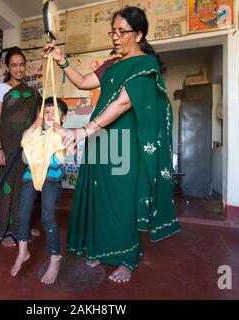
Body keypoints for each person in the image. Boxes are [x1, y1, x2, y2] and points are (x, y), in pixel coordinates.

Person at [44, 7, 180, 283]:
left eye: (122, 32)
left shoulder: (145, 65)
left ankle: (127, 260)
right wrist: (61, 59)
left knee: (122, 202)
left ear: (139, 34)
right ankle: (101, 250)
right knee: (100, 198)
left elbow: (124, 102)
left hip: (124, 144)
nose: (115, 37)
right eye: (113, 31)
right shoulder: (113, 64)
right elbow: (83, 82)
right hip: (101, 140)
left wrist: (83, 130)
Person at [11, 97, 71, 285]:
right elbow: (24, 144)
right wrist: (33, 126)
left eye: (54, 112)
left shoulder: (61, 133)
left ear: (63, 117)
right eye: (46, 112)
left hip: (51, 179)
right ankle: (23, 252)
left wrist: (57, 126)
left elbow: (69, 138)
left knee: (47, 217)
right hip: (32, 176)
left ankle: (55, 258)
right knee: (22, 215)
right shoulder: (36, 134)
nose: (49, 115)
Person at [0, 47, 41, 247]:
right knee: (7, 190)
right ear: (7, 67)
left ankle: (22, 227)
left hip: (26, 148)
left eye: (21, 64)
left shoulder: (32, 92)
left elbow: (37, 122)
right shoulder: (1, 89)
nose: (18, 69)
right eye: (14, 65)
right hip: (7, 147)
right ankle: (5, 232)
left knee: (25, 189)